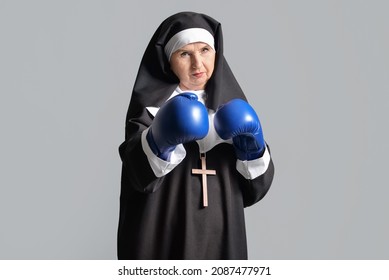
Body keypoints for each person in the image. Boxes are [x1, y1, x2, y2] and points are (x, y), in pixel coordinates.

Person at [118, 11, 275, 260]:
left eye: (204, 50)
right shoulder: (151, 109)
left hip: (222, 230)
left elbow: (254, 191)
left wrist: (253, 148)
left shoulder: (233, 107)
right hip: (165, 229)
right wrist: (160, 137)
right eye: (184, 54)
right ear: (168, 60)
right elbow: (138, 177)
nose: (197, 64)